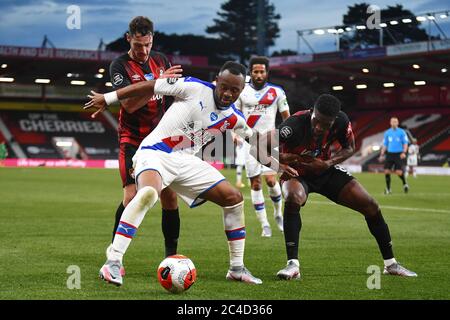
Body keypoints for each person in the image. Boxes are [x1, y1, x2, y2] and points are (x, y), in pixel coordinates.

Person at [85, 61, 262, 286]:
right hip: (155, 152)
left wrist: (280, 164)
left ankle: (237, 268)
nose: (227, 93)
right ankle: (113, 262)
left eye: (234, 90)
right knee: (148, 194)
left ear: (241, 90)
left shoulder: (235, 118)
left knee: (233, 198)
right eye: (224, 86)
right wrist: (109, 98)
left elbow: (256, 140)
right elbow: (149, 86)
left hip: (186, 161)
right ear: (217, 80)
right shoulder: (192, 87)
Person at [252, 94, 417, 280]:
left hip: (325, 171)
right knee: (292, 197)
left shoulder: (341, 122)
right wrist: (280, 166)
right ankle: (293, 265)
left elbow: (349, 147)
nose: (319, 128)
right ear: (312, 112)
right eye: (317, 121)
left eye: (326, 124)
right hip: (297, 173)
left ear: (334, 120)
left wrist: (327, 163)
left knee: (370, 205)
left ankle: (391, 264)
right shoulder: (294, 125)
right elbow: (256, 146)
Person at [100, 16, 184, 265]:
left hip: (161, 141)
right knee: (131, 196)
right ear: (129, 39)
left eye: (147, 45)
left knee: (169, 196)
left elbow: (172, 98)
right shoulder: (119, 66)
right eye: (138, 45)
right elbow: (130, 104)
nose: (143, 51)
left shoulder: (162, 60)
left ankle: (171, 257)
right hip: (132, 139)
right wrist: (158, 83)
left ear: (152, 39)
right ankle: (115, 257)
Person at [234, 56, 290, 237]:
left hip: (270, 142)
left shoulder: (277, 92)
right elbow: (233, 116)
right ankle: (264, 224)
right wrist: (234, 133)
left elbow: (287, 119)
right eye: (255, 71)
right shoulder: (241, 92)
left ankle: (278, 214)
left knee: (272, 181)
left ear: (267, 72)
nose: (259, 75)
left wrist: (286, 137)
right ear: (250, 72)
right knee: (256, 184)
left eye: (262, 71)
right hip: (249, 143)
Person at [378, 117, 409, 194]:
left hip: (399, 154)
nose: (394, 123)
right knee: (386, 171)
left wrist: (404, 152)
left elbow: (405, 143)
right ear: (390, 123)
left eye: (395, 121)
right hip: (390, 154)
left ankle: (405, 183)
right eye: (393, 121)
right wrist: (382, 153)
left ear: (398, 123)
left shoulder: (402, 132)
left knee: (398, 172)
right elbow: (385, 144)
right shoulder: (387, 133)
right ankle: (388, 189)